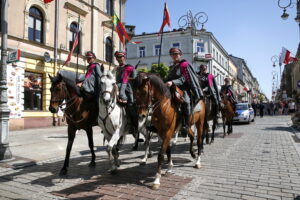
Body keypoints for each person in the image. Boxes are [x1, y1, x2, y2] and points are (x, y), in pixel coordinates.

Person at [165, 47, 204, 134]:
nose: (174, 56)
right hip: (172, 88)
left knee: (186, 102)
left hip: (184, 88)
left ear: (180, 55)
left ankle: (186, 125)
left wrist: (173, 82)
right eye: (172, 54)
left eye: (176, 54)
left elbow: (184, 78)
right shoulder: (172, 66)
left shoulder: (184, 64)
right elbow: (168, 78)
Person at [114, 51, 138, 133]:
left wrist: (129, 79)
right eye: (118, 57)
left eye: (121, 57)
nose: (119, 59)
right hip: (117, 89)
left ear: (124, 57)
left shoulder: (130, 67)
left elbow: (135, 79)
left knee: (130, 106)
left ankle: (135, 126)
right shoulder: (117, 68)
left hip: (128, 91)